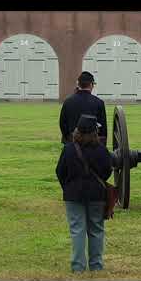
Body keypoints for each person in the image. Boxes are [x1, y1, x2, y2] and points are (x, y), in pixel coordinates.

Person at [56, 115, 113, 272]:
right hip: (96, 194)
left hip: (73, 194)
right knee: (96, 229)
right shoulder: (102, 150)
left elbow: (60, 171)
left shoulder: (68, 149)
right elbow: (107, 171)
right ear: (95, 132)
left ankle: (78, 267)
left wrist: (68, 187)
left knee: (77, 230)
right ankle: (96, 266)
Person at [59, 71, 108, 145]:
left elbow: (63, 124)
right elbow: (102, 128)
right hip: (92, 144)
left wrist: (68, 138)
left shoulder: (68, 102)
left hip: (72, 143)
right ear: (91, 85)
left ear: (78, 84)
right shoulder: (99, 103)